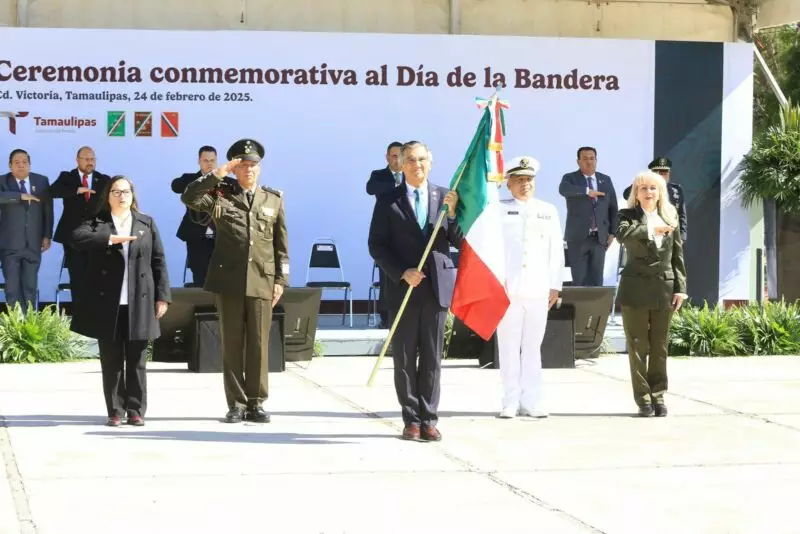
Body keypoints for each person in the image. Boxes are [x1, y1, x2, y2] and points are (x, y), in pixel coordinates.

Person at [181, 139, 289, 424]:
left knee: (258, 344)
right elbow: (189, 197)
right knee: (231, 343)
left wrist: (281, 280)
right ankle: (237, 404)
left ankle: (257, 402)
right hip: (228, 279)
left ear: (260, 168)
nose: (248, 170)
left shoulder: (273, 198)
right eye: (242, 165)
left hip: (262, 281)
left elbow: (281, 245)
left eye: (253, 165)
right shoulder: (221, 195)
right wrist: (218, 173)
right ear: (234, 168)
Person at [367, 140, 461, 442]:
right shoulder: (388, 199)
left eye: (421, 159)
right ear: (401, 163)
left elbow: (458, 238)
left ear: (430, 162)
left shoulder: (446, 196)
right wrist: (400, 272)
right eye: (409, 159)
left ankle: (430, 418)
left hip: (436, 288)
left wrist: (455, 213)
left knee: (432, 357)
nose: (416, 164)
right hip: (404, 288)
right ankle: (411, 419)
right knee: (405, 357)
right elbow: (376, 245)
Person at [70, 176, 171, 427]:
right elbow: (75, 238)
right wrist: (109, 239)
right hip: (109, 303)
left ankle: (136, 410)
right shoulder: (97, 222)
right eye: (116, 191)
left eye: (125, 191)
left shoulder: (146, 223)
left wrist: (163, 297)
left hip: (140, 301)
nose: (121, 196)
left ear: (132, 195)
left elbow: (158, 261)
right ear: (108, 196)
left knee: (137, 360)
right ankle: (115, 410)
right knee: (112, 360)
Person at [490, 156, 564, 419]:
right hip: (507, 290)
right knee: (509, 348)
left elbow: (556, 250)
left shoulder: (548, 210)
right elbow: (493, 249)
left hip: (538, 289)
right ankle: (510, 400)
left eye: (529, 180)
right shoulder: (497, 209)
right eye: (519, 180)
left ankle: (531, 400)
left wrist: (556, 285)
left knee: (533, 348)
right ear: (508, 183)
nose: (525, 184)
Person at [616, 171, 687, 417]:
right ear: (636, 193)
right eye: (643, 188)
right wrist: (652, 228)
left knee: (660, 346)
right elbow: (623, 236)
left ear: (660, 192)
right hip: (635, 290)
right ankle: (643, 398)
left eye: (653, 188)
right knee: (637, 346)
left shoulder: (670, 215)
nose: (648, 192)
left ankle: (659, 395)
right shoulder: (626, 216)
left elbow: (677, 255)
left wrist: (681, 288)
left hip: (663, 289)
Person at [50, 146, 111, 307]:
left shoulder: (104, 179)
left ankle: (95, 314)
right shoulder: (67, 177)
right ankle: (79, 316)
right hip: (72, 236)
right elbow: (53, 191)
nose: (90, 162)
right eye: (86, 159)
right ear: (77, 160)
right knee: (77, 276)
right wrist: (77, 190)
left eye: (93, 159)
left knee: (96, 276)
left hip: (96, 235)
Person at [0, 149, 53, 313]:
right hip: (10, 244)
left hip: (33, 244)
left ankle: (30, 325)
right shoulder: (3, 181)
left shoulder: (42, 181)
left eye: (24, 162)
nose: (21, 165)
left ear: (29, 164)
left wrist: (46, 235)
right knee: (12, 288)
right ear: (10, 165)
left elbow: (48, 211)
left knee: (30, 286)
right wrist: (20, 196)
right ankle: (14, 328)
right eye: (17, 162)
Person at [171, 146, 233, 286]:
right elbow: (175, 186)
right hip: (197, 236)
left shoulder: (228, 183)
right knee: (199, 275)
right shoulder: (190, 179)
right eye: (205, 160)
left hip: (221, 237)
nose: (209, 164)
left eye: (212, 160)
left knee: (222, 275)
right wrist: (202, 181)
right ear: (199, 161)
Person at [558, 146, 619, 286]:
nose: (589, 162)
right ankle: (579, 308)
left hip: (599, 238)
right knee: (579, 280)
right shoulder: (570, 178)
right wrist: (587, 191)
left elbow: (613, 208)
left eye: (592, 159)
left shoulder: (605, 180)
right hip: (578, 238)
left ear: (596, 160)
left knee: (597, 280)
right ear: (578, 161)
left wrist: (613, 233)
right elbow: (563, 189)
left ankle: (596, 309)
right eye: (585, 159)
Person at [366, 141, 404, 327]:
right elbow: (370, 189)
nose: (398, 160)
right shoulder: (379, 175)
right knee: (387, 273)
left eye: (400, 156)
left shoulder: (410, 175)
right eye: (394, 156)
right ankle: (385, 316)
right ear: (387, 157)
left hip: (406, 229)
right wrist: (395, 185)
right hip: (386, 228)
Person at [622, 157, 687, 242]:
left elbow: (681, 215)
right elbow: (627, 194)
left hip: (669, 236)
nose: (663, 176)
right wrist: (643, 181)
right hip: (648, 235)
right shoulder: (644, 189)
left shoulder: (676, 190)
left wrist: (682, 237)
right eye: (660, 173)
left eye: (666, 172)